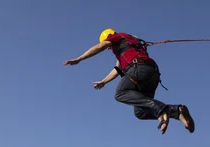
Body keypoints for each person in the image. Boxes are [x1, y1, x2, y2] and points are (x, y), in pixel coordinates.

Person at [63, 28, 195, 134]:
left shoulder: (116, 36)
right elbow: (117, 68)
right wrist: (104, 81)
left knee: (121, 93)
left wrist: (79, 58)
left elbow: (101, 46)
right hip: (152, 73)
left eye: (109, 46)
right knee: (140, 112)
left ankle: (162, 108)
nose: (109, 49)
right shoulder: (128, 45)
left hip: (140, 69)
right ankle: (177, 111)